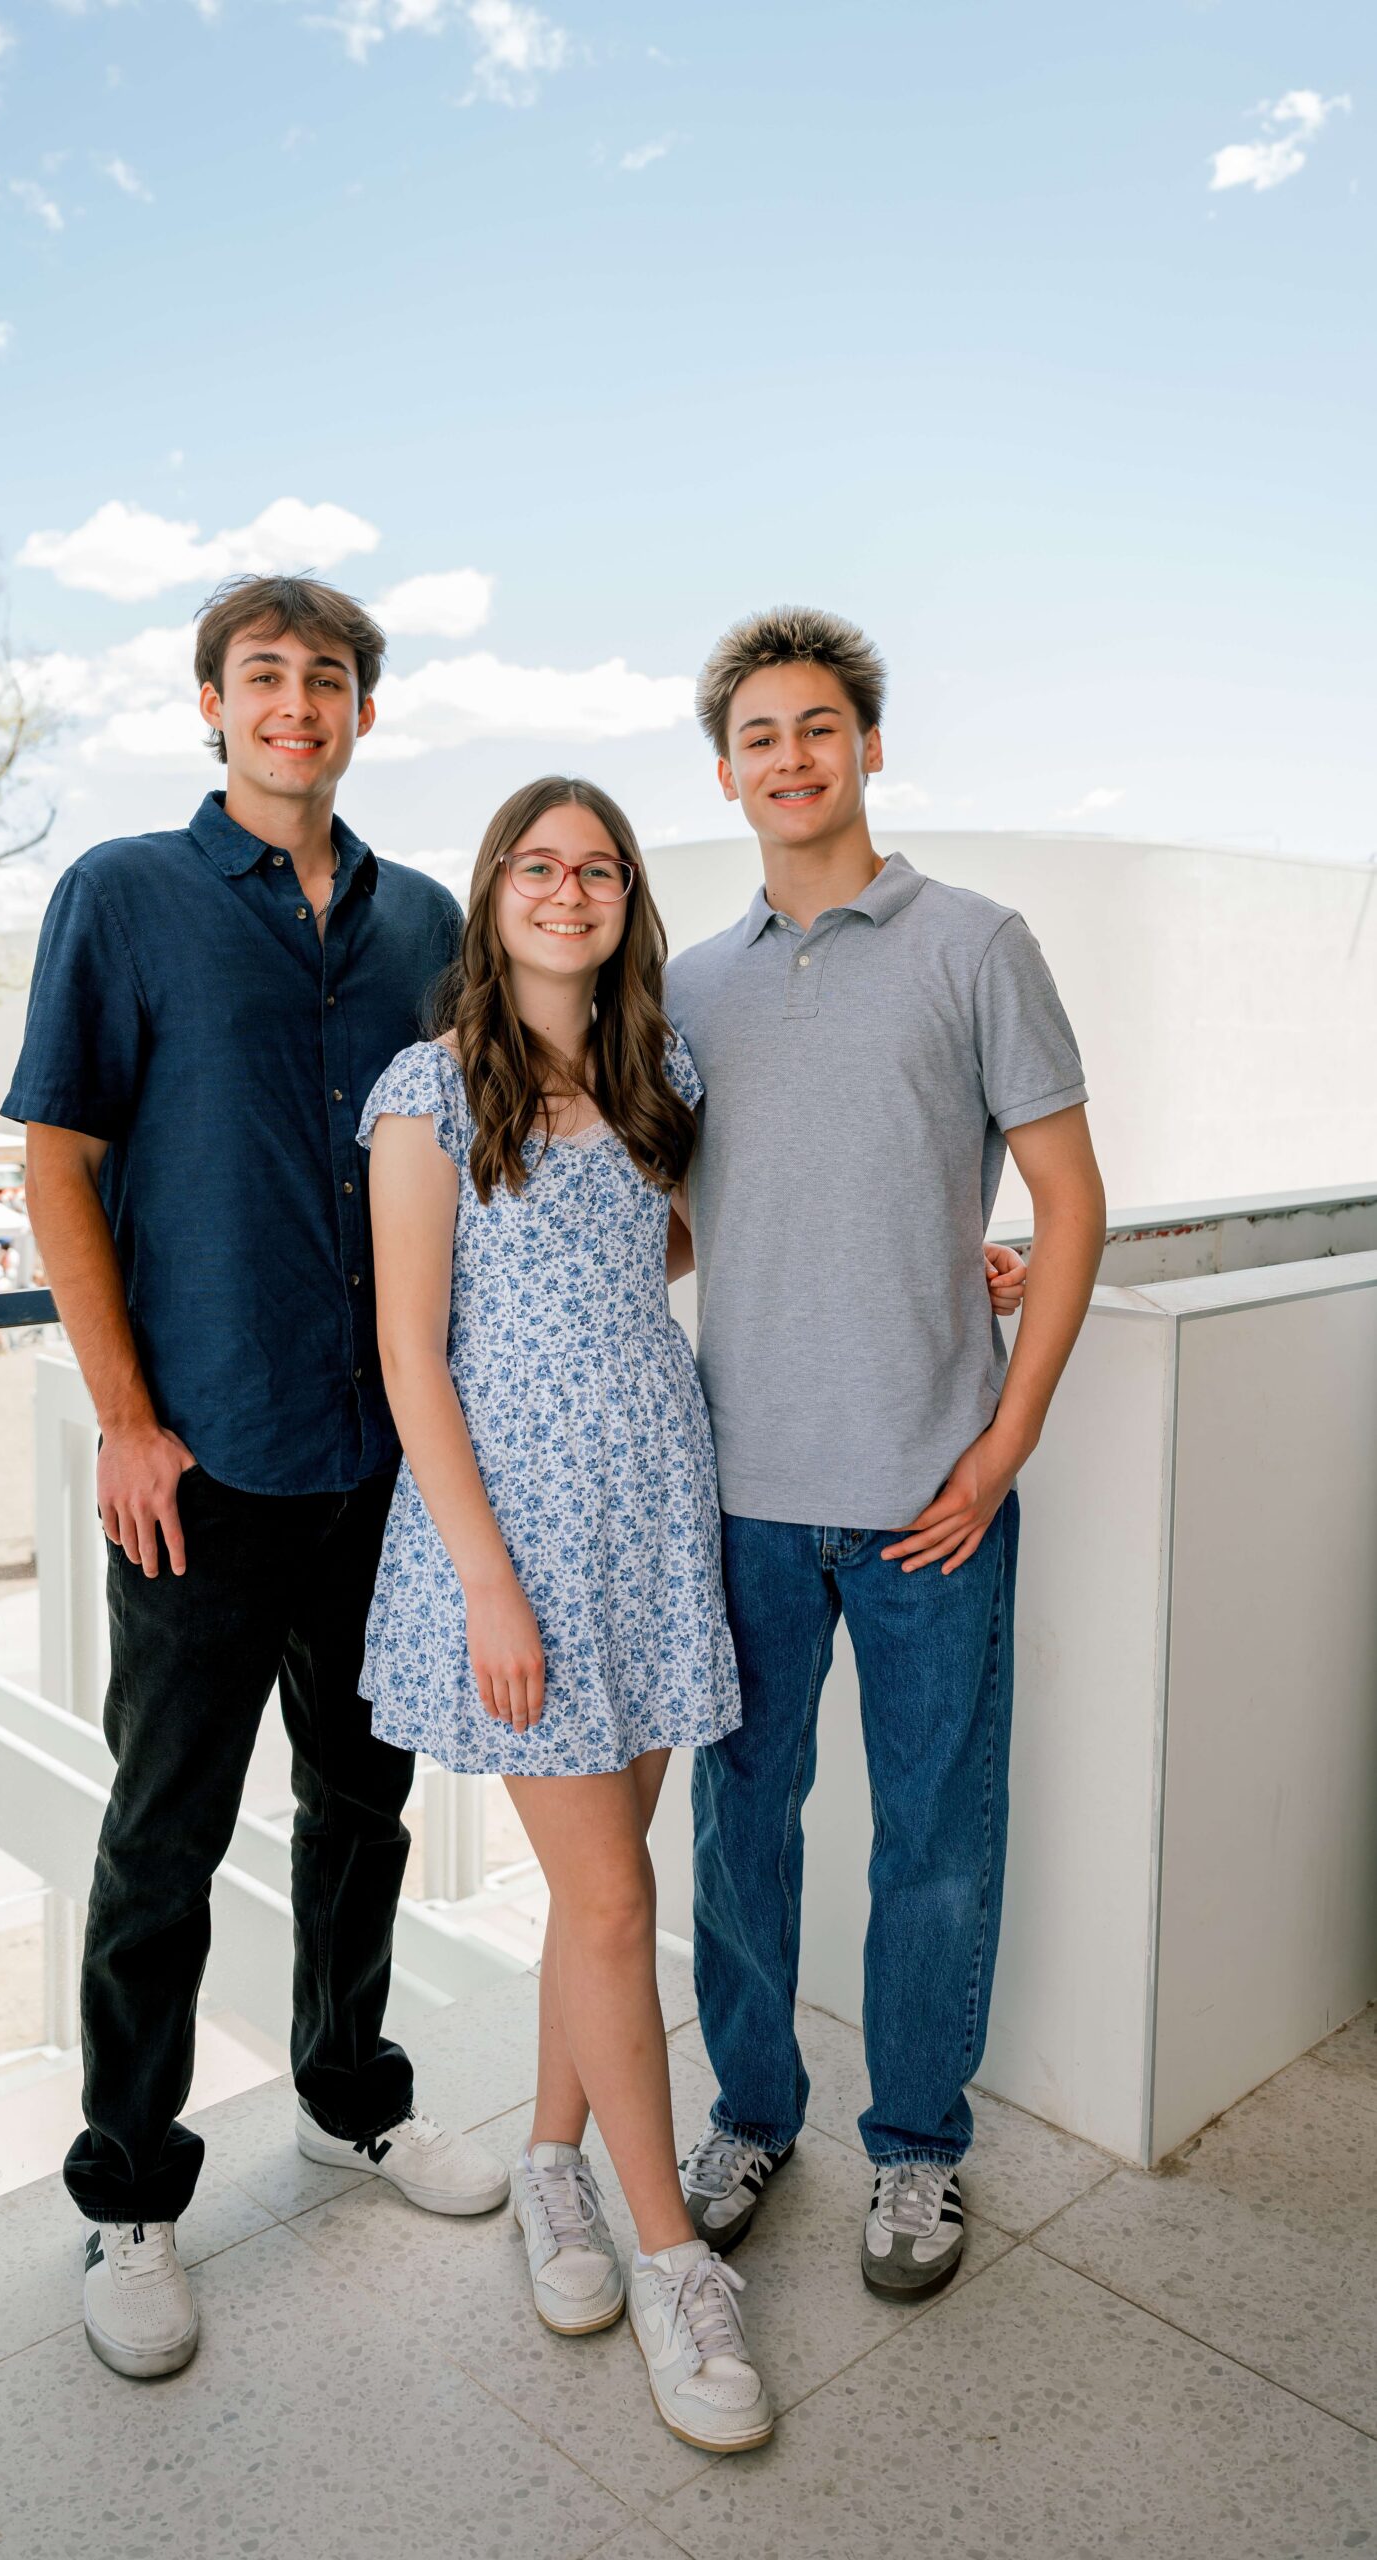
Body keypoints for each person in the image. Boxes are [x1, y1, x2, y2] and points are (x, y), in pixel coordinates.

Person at [362, 776, 1027, 2455]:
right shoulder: (429, 1093)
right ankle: (671, 2260)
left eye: (597, 867)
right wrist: (490, 1583)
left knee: (595, 1906)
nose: (568, 889)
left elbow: (712, 1239)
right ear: (491, 892)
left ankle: (546, 2175)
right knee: (611, 1893)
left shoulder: (661, 1078)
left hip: (656, 1518)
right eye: (537, 863)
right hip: (509, 1541)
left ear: (627, 900)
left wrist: (965, 1256)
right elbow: (408, 1354)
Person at [4, 571, 507, 2386]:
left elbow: (516, 1146)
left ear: (366, 712)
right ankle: (128, 2193)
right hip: (198, 1468)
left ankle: (349, 2098)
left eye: (330, 679)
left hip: (381, 1463)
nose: (299, 703)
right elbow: (59, 1164)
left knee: (364, 1818)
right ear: (212, 706)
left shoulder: (429, 922)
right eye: (265, 676)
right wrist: (126, 1416)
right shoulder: (123, 896)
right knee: (164, 1839)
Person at [668, 606, 1106, 2302]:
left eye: (818, 726)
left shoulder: (977, 943)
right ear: (728, 773)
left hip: (938, 1493)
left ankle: (918, 2153)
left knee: (934, 1842)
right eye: (760, 734)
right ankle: (752, 2115)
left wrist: (1005, 1444)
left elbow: (1066, 1205)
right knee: (739, 1831)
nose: (791, 756)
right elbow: (702, 1224)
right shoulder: (689, 985)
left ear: (865, 748)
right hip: (739, 1499)